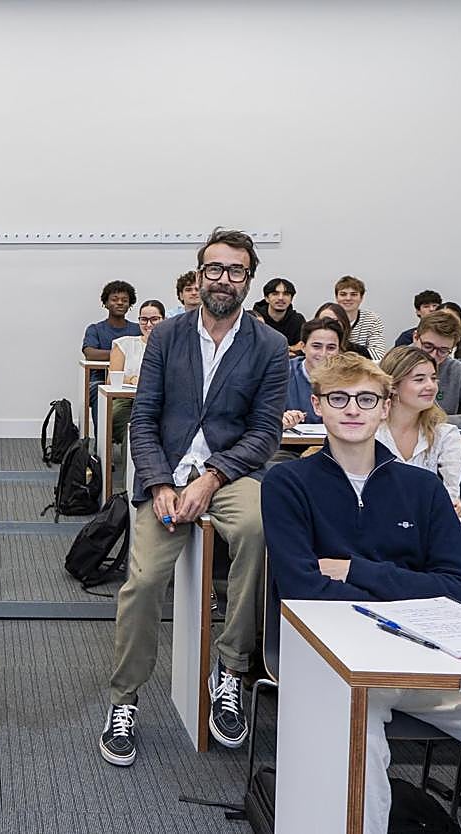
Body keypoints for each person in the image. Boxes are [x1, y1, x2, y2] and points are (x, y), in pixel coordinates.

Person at [261, 351, 461, 834]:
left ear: (387, 407)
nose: (352, 409)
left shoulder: (422, 487)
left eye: (366, 399)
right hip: (337, 664)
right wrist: (414, 591)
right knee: (353, 739)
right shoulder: (287, 481)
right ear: (317, 406)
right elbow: (305, 592)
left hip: (436, 661)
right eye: (338, 398)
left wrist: (354, 570)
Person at [100, 229, 287, 765]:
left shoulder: (269, 346)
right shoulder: (167, 337)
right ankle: (124, 699)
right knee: (143, 582)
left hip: (228, 476)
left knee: (256, 530)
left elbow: (265, 431)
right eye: (214, 269)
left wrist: (211, 477)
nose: (223, 279)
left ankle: (230, 665)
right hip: (164, 475)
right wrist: (160, 482)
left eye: (235, 271)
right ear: (199, 274)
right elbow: (144, 417)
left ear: (248, 279)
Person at [376, 346, 461, 512]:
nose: (431, 386)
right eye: (419, 379)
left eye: (433, 378)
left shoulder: (445, 434)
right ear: (393, 386)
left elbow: (458, 492)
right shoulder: (370, 433)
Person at [83, 281, 141, 430]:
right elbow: (90, 353)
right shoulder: (95, 329)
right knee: (99, 392)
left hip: (132, 381)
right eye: (115, 299)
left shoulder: (138, 329)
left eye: (124, 300)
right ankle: (101, 444)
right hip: (100, 380)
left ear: (130, 304)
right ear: (106, 303)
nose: (120, 303)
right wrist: (120, 354)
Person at [108, 299, 165, 443]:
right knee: (134, 429)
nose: (149, 324)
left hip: (162, 403)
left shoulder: (172, 347)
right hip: (128, 402)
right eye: (144, 320)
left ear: (164, 320)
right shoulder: (124, 344)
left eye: (154, 319)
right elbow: (110, 380)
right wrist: (132, 379)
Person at [282, 317, 344, 428]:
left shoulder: (350, 378)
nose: (323, 353)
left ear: (339, 350)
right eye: (316, 346)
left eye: (331, 347)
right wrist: (280, 419)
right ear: (303, 347)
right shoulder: (281, 373)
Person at [333, 276, 387, 359]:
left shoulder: (372, 320)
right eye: (343, 294)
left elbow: (378, 355)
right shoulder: (327, 316)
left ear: (361, 298)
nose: (348, 298)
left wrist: (343, 344)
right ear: (336, 297)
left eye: (353, 294)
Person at [250, 277, 305, 350]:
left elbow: (302, 348)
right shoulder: (253, 318)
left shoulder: (298, 320)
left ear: (291, 299)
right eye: (275, 294)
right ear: (266, 298)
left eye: (286, 294)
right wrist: (289, 349)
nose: (281, 298)